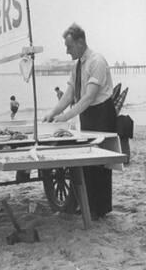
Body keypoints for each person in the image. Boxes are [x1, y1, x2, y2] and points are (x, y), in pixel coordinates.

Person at [42, 23, 116, 219]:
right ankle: (88, 205)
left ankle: (100, 208)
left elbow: (89, 97)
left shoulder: (96, 61)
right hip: (87, 113)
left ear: (80, 42)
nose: (66, 51)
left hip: (102, 112)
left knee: (101, 162)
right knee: (87, 159)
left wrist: (65, 117)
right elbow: (68, 96)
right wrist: (52, 114)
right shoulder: (76, 66)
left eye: (69, 46)